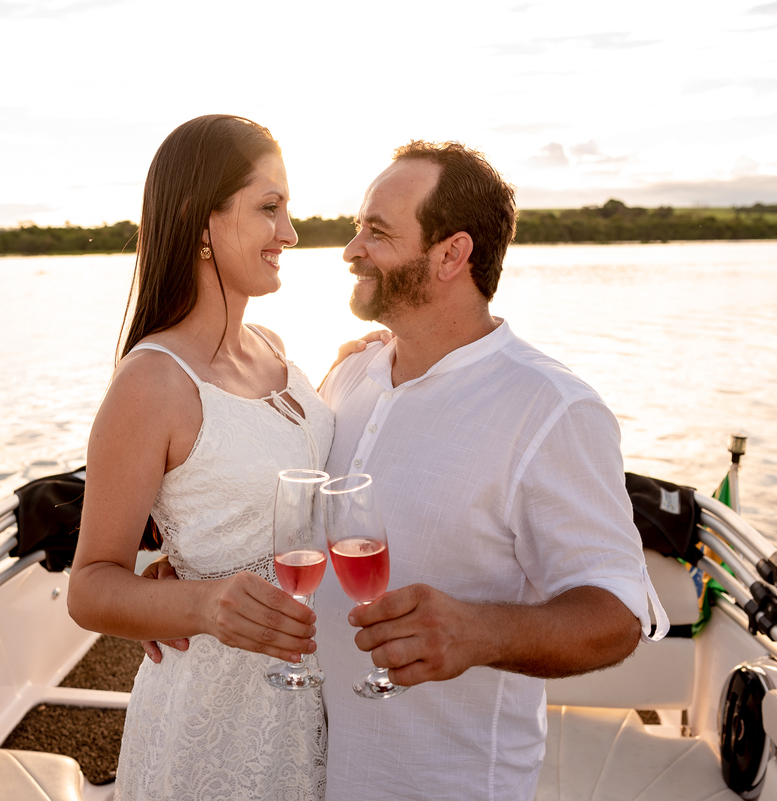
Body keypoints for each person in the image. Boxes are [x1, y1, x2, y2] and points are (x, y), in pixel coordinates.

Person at [313, 141, 668, 801]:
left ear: (451, 254)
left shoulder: (551, 408)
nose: (351, 248)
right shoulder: (347, 374)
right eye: (359, 226)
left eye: (378, 232)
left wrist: (480, 631)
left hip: (445, 784)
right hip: (312, 773)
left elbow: (617, 612)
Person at [66, 115, 332, 801]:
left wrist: (366, 368)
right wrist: (202, 601)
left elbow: (290, 466)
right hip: (221, 715)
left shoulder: (273, 346)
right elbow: (91, 586)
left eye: (287, 209)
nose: (290, 233)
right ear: (199, 221)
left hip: (321, 695)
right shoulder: (151, 382)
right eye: (268, 208)